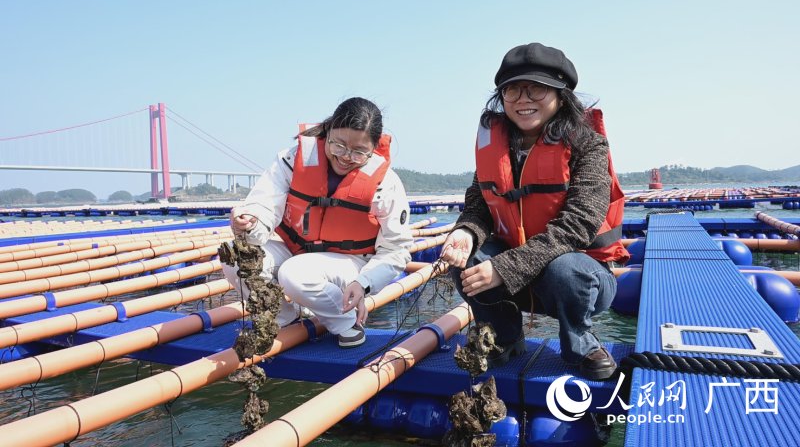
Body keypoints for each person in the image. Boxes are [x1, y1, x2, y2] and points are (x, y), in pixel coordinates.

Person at [440, 43, 629, 380]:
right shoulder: (493, 148)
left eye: (536, 88)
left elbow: (579, 224)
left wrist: (505, 267)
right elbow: (478, 204)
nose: (523, 99)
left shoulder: (588, 144)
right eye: (512, 89)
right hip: (515, 276)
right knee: (465, 260)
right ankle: (505, 338)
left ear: (561, 94)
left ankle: (581, 344)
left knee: (567, 269)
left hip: (579, 276)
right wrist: (465, 232)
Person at [222, 97, 413, 348]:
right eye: (339, 146)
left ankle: (347, 322)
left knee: (295, 272)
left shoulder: (385, 184)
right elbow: (264, 204)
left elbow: (396, 249)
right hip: (296, 250)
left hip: (351, 264)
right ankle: (284, 318)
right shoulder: (291, 160)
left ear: (374, 148)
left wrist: (364, 282)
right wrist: (250, 222)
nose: (346, 157)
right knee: (236, 256)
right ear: (328, 132)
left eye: (358, 152)